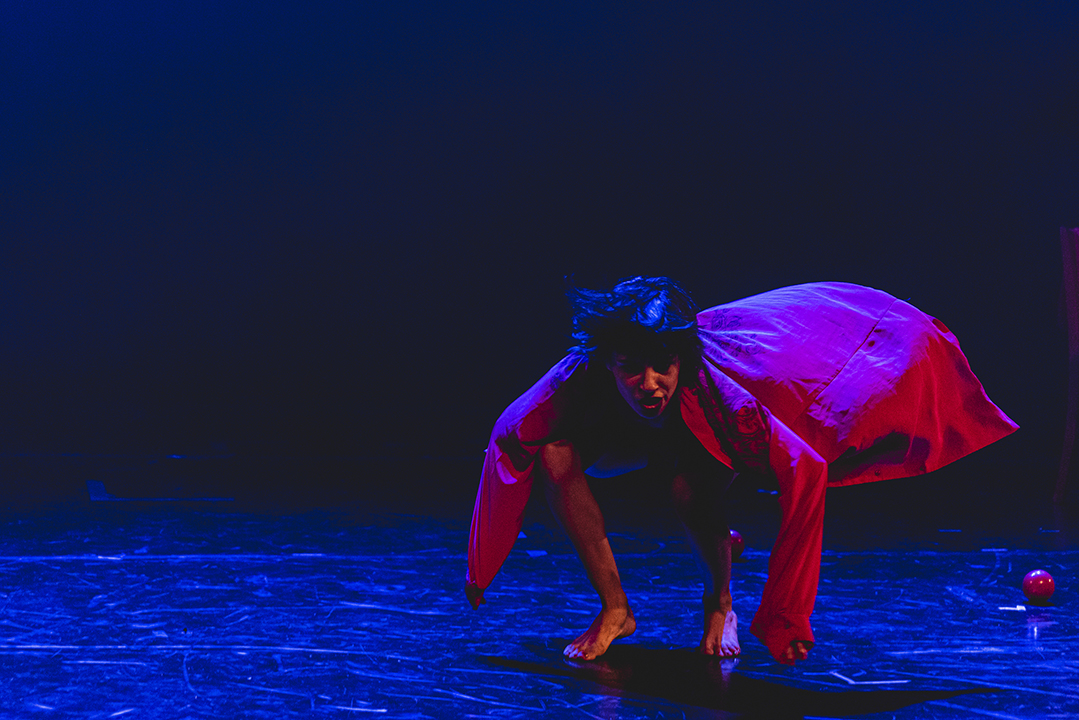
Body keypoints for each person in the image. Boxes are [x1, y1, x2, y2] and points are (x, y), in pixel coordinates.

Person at [465, 277, 1018, 665]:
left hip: (707, 436)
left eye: (663, 367)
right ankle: (616, 609)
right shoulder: (576, 377)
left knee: (689, 492)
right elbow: (509, 436)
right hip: (629, 443)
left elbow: (804, 471)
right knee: (553, 451)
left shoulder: (724, 396)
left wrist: (785, 615)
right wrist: (481, 565)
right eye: (631, 369)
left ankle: (719, 604)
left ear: (681, 357)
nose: (650, 384)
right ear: (609, 362)